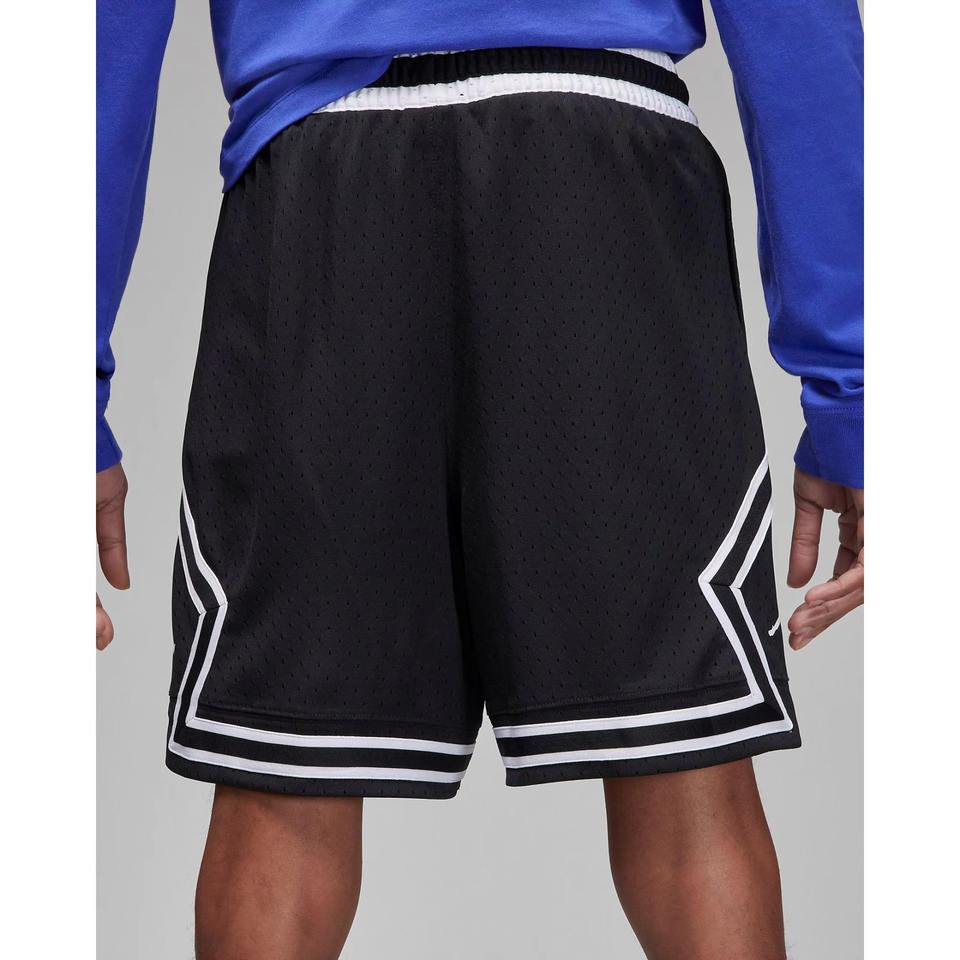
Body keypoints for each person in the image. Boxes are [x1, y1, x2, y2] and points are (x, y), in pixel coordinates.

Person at [96, 2, 863, 957]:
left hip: (322, 191)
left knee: (284, 773)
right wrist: (856, 394)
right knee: (686, 767)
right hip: (600, 174)